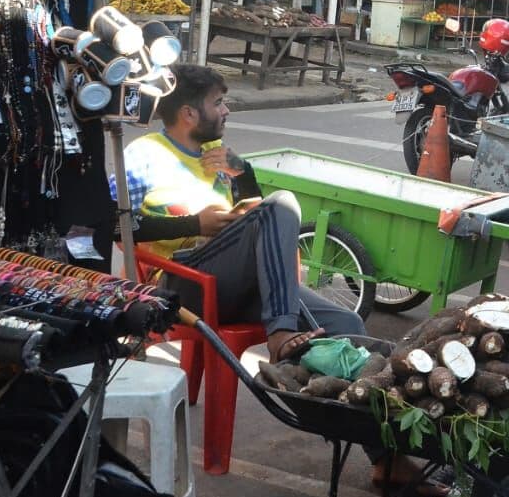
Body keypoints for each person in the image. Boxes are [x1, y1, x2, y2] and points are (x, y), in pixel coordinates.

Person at [111, 65, 365, 361]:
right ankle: (280, 332)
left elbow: (260, 221)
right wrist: (195, 224)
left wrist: (243, 174)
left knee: (348, 325)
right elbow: (114, 226)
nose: (226, 110)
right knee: (282, 202)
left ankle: (290, 388)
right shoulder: (145, 155)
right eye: (217, 103)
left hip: (232, 282)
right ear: (189, 114)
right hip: (178, 283)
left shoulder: (216, 153)